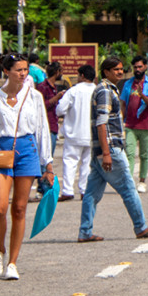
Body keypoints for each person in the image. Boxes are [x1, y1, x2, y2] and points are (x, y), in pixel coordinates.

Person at [0, 53, 55, 280]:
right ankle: (0, 251)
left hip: (27, 150)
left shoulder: (35, 97)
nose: (23, 74)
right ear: (6, 72)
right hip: (1, 152)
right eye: (18, 70)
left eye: (25, 70)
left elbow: (41, 129)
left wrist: (47, 163)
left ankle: (12, 262)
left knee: (19, 208)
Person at [78, 56, 148, 243]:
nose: (120, 72)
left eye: (121, 69)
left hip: (100, 150)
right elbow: (102, 123)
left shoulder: (109, 89)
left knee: (92, 193)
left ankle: (85, 231)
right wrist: (107, 153)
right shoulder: (105, 91)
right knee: (129, 188)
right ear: (105, 72)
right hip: (110, 149)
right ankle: (140, 227)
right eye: (116, 69)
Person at [56, 64, 96, 202]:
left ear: (82, 76)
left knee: (70, 161)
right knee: (87, 163)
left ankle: (67, 190)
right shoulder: (97, 90)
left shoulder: (73, 91)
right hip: (92, 134)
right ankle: (84, 190)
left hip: (74, 133)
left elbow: (60, 109)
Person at [120, 55, 148, 194]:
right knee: (129, 154)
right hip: (130, 125)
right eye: (135, 67)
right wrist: (122, 122)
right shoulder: (128, 84)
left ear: (145, 67)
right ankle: (130, 182)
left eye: (139, 67)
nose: (137, 69)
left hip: (146, 125)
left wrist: (142, 95)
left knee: (144, 155)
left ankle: (142, 181)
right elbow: (123, 104)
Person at [35, 60, 65, 196]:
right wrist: (57, 98)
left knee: (49, 159)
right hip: (44, 126)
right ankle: (42, 189)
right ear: (57, 72)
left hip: (53, 124)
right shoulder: (43, 87)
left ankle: (43, 188)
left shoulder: (53, 87)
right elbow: (41, 105)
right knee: (44, 159)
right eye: (61, 71)